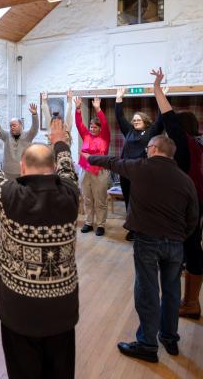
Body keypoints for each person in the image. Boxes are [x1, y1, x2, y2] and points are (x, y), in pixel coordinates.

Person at [0, 115, 79, 379]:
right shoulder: (71, 195)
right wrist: (61, 143)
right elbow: (67, 168)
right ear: (54, 168)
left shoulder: (8, 196)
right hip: (62, 312)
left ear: (22, 167)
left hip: (18, 312)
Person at [84, 134, 198, 362]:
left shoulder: (140, 167)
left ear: (154, 148)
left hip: (147, 241)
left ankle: (147, 344)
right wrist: (179, 237)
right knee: (172, 291)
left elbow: (112, 162)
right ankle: (169, 337)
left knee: (147, 291)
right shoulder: (186, 180)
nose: (146, 151)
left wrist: (90, 158)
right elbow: (193, 217)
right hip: (175, 244)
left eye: (147, 148)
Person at [150, 67, 203, 319]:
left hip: (187, 205)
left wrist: (158, 87)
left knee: (188, 250)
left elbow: (167, 115)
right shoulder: (199, 142)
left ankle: (190, 304)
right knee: (194, 247)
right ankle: (191, 300)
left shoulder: (183, 143)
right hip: (199, 202)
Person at [115, 86, 166, 241]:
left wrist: (163, 96)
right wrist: (119, 98)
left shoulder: (152, 131)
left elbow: (162, 118)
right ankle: (132, 228)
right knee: (129, 200)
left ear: (145, 121)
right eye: (134, 120)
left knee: (142, 202)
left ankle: (144, 230)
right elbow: (120, 116)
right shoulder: (129, 131)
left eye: (139, 120)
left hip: (143, 173)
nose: (136, 121)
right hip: (126, 172)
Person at [75, 96, 111, 236]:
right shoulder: (86, 135)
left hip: (100, 172)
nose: (92, 128)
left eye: (95, 127)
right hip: (85, 171)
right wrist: (78, 109)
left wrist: (98, 108)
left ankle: (101, 224)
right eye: (91, 126)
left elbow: (105, 122)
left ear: (100, 128)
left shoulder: (105, 137)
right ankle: (89, 222)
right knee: (87, 198)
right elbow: (79, 124)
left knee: (100, 199)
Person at [0, 91, 39, 180]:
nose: (12, 127)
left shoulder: (28, 135)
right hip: (8, 171)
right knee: (10, 192)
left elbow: (35, 128)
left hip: (23, 171)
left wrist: (34, 115)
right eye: (10, 126)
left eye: (14, 125)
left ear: (21, 125)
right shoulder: (6, 135)